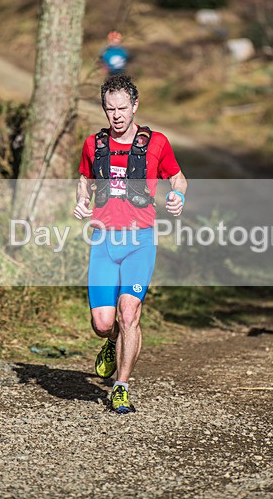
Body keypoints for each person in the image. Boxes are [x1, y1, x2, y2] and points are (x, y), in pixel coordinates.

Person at [73, 74, 186, 414]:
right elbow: (84, 179)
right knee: (103, 324)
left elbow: (177, 177)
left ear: (135, 106)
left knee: (129, 314)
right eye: (110, 109)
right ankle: (111, 344)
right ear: (104, 110)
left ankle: (121, 387)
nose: (117, 115)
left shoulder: (157, 144)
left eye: (123, 108)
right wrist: (80, 201)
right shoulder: (94, 145)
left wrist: (178, 195)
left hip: (140, 241)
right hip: (104, 242)